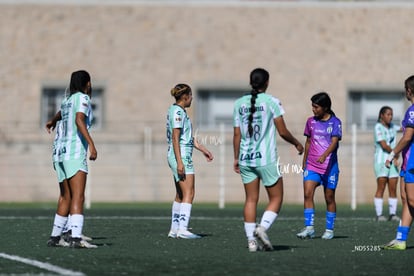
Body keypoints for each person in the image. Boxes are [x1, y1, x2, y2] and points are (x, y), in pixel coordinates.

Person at [233, 68, 304, 252]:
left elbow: (236, 134)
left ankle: (251, 242)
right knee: (277, 198)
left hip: (245, 159)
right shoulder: (272, 102)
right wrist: (296, 143)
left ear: (251, 82)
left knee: (250, 200)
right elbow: (282, 131)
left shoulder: (238, 103)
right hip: (266, 159)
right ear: (267, 82)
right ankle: (261, 228)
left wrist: (236, 158)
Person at [46, 70, 97, 248]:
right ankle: (75, 238)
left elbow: (62, 113)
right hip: (74, 153)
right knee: (78, 196)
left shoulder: (67, 100)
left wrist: (52, 121)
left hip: (59, 153)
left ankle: (55, 237)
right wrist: (91, 144)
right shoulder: (83, 98)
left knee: (65, 196)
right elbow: (79, 120)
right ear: (88, 84)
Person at [166, 83, 214, 239]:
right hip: (182, 156)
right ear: (185, 97)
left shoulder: (178, 111)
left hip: (179, 155)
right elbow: (175, 137)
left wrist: (204, 149)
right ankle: (183, 229)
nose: (192, 98)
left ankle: (174, 229)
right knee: (189, 192)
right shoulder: (177, 113)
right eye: (191, 95)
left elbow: (188, 138)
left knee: (180, 194)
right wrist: (180, 162)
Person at [296, 92, 342, 240]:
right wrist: (305, 161)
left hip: (330, 167)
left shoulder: (335, 122)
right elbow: (308, 142)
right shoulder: (310, 122)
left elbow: (334, 143)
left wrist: (324, 155)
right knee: (307, 194)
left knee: (329, 197)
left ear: (325, 107)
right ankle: (309, 228)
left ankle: (329, 230)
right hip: (312, 166)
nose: (313, 109)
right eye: (312, 106)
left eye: (316, 107)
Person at [383, 75, 414, 250]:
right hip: (407, 161)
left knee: (411, 199)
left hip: (412, 162)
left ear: (409, 90)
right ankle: (400, 239)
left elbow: (407, 137)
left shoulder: (412, 111)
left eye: (405, 88)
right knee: (406, 198)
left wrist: (393, 153)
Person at [373, 106, 401, 221]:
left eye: (391, 114)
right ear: (381, 115)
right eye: (388, 114)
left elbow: (405, 129)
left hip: (393, 161)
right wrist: (395, 152)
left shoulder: (393, 127)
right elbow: (384, 145)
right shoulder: (378, 127)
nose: (390, 117)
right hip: (381, 161)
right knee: (381, 187)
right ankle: (379, 215)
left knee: (393, 188)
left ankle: (392, 214)